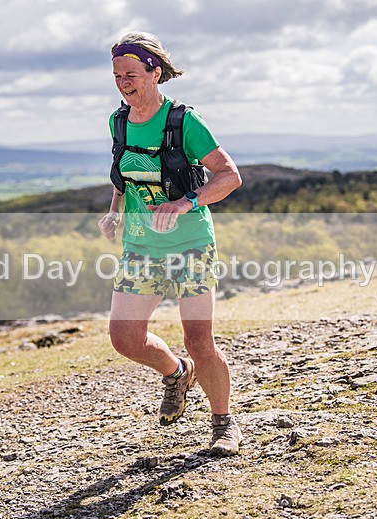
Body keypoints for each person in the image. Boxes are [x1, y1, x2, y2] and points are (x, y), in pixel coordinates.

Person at [98, 31, 243, 456]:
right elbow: (124, 176)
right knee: (124, 338)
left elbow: (229, 176)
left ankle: (223, 425)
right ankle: (177, 373)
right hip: (141, 246)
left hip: (191, 243)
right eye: (116, 75)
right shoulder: (118, 121)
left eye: (131, 74)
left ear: (154, 72)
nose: (124, 82)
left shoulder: (183, 122)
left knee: (200, 340)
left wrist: (185, 202)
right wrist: (115, 211)